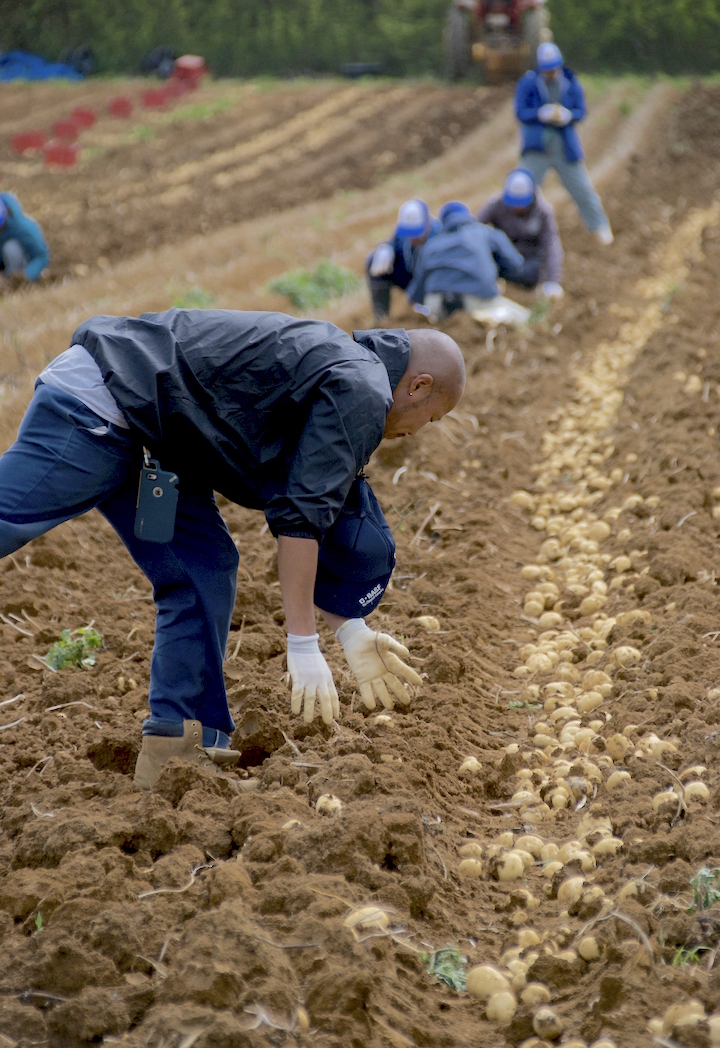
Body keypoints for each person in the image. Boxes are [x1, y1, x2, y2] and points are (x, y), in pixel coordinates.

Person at [0, 309, 465, 791]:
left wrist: (349, 630)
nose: (419, 430)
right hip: (104, 398)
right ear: (418, 385)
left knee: (204, 567)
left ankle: (178, 757)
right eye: (433, 416)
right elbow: (300, 521)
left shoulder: (349, 378)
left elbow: (310, 499)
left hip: (155, 437)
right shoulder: (363, 388)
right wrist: (302, 646)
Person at [514, 42, 613, 245]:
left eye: (553, 68)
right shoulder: (529, 82)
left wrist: (568, 116)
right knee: (524, 190)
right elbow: (521, 112)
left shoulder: (570, 82)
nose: (551, 72)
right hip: (537, 147)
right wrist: (540, 114)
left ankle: (599, 227)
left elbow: (580, 111)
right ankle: (519, 234)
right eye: (547, 69)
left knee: (582, 189)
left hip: (564, 146)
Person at [407, 201, 530, 326]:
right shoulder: (484, 231)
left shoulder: (430, 245)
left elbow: (416, 292)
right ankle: (492, 317)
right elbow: (515, 262)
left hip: (436, 303)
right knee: (525, 318)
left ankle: (438, 323)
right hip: (475, 297)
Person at [477, 167, 564, 298]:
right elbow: (474, 227)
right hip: (502, 258)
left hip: (528, 262)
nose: (517, 208)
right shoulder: (496, 205)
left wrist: (553, 281)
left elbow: (551, 246)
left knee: (532, 273)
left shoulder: (543, 212)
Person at [366, 199, 440, 319]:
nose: (412, 238)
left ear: (427, 224)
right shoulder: (402, 234)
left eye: (416, 233)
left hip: (431, 281)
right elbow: (394, 242)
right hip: (409, 275)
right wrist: (386, 247)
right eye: (409, 233)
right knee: (372, 260)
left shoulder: (439, 235)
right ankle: (381, 317)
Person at [0, 193, 50, 283]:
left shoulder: (23, 227)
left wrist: (26, 275)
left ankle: (12, 281)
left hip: (22, 266)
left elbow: (41, 256)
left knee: (11, 248)